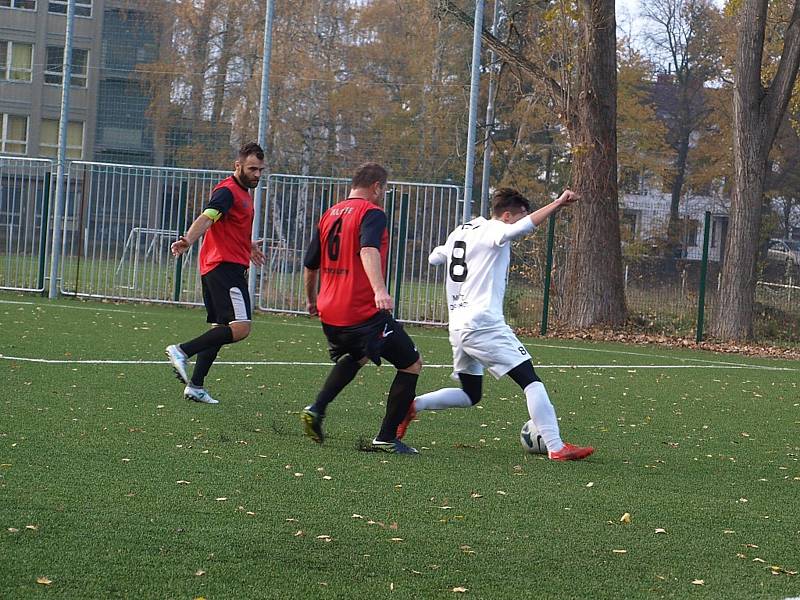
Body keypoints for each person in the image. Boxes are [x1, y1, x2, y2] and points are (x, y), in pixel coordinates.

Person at [398, 187, 594, 461]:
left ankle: (414, 405)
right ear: (506, 216)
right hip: (484, 324)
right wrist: (558, 204)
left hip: (458, 326)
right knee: (531, 381)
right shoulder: (494, 230)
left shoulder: (463, 230)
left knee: (470, 393)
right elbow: (519, 230)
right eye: (521, 215)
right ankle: (556, 446)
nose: (525, 221)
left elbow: (435, 257)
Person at [300, 162, 422, 454]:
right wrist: (380, 291)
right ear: (377, 187)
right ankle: (387, 437)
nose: (384, 195)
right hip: (361, 310)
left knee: (358, 355)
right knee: (411, 364)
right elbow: (368, 249)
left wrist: (310, 299)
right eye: (385, 189)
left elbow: (310, 264)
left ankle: (317, 408)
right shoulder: (372, 212)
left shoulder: (329, 214)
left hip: (329, 310)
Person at [165, 142, 266, 404]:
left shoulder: (244, 193)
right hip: (225, 268)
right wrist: (188, 239)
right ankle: (181, 350)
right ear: (238, 166)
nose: (256, 174)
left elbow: (230, 227)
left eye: (260, 170)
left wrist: (248, 245)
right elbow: (209, 216)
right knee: (241, 328)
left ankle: (196, 386)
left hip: (221, 266)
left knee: (220, 328)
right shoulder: (228, 191)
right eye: (252, 168)